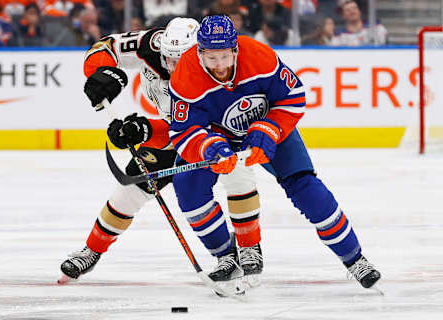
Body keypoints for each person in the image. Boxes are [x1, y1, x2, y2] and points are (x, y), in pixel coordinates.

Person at [168, 15, 381, 289]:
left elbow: (293, 96)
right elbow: (184, 130)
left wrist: (269, 129)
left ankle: (355, 259)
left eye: (224, 56)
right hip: (218, 134)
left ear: (235, 49)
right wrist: (209, 147)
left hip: (268, 127)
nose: (219, 66)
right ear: (199, 53)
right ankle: (227, 258)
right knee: (188, 187)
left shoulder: (259, 56)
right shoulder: (185, 75)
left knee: (306, 187)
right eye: (211, 58)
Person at [58, 17, 263, 285]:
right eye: (169, 58)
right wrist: (101, 73)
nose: (173, 67)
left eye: (181, 60)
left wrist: (143, 128)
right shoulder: (150, 47)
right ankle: (92, 250)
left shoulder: (217, 69)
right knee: (128, 192)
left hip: (217, 132)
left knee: (237, 177)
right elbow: (103, 48)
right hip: (174, 131)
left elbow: (192, 127)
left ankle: (249, 248)